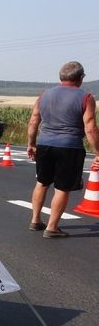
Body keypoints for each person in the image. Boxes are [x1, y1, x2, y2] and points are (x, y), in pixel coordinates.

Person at [27, 61, 99, 238]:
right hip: (69, 147)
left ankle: (35, 220)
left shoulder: (44, 95)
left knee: (42, 182)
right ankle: (51, 228)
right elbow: (90, 128)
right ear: (80, 78)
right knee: (62, 188)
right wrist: (98, 151)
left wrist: (31, 144)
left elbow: (33, 120)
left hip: (44, 145)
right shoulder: (86, 97)